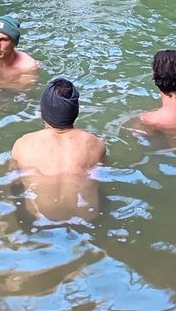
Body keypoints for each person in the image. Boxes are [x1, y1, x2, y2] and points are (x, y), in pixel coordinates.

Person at [10, 77, 105, 220]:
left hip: (39, 218)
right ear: (75, 111)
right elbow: (100, 178)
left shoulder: (22, 145)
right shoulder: (96, 144)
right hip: (86, 217)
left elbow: (14, 181)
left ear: (44, 110)